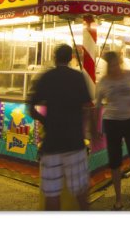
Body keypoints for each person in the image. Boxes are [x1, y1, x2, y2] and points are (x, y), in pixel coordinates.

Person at [27, 44, 95, 211]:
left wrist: (45, 120)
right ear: (71, 58)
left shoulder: (46, 77)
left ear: (55, 58)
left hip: (52, 143)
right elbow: (88, 105)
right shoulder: (78, 77)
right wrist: (90, 129)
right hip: (74, 142)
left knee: (52, 193)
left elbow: (30, 106)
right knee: (80, 190)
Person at [94, 51, 130, 210]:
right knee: (115, 161)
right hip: (112, 122)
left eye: (117, 63)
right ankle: (118, 198)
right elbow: (97, 104)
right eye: (111, 65)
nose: (115, 67)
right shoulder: (103, 81)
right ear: (107, 66)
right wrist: (94, 127)